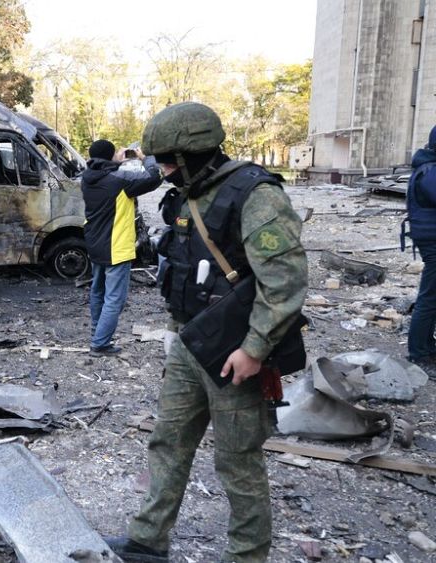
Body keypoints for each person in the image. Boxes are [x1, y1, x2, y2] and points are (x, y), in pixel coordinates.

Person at [106, 102, 308, 563]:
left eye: (168, 161)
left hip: (235, 351)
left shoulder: (255, 194)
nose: (162, 170)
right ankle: (147, 541)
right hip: (189, 341)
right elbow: (182, 266)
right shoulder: (186, 193)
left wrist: (255, 348)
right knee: (168, 440)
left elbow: (285, 281)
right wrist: (175, 332)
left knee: (238, 461)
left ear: (193, 154)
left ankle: (247, 556)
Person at [81, 139, 163, 356]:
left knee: (98, 292)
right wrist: (146, 158)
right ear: (109, 156)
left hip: (95, 243)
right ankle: (100, 344)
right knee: (115, 298)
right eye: (116, 152)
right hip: (116, 246)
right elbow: (154, 177)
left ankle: (96, 333)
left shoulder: (87, 177)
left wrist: (117, 161)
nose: (120, 153)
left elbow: (109, 173)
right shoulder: (119, 180)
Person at [405, 125, 436, 368]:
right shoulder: (429, 171)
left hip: (430, 237)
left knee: (433, 297)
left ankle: (426, 346)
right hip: (433, 240)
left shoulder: (429, 167)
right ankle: (418, 353)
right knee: (429, 298)